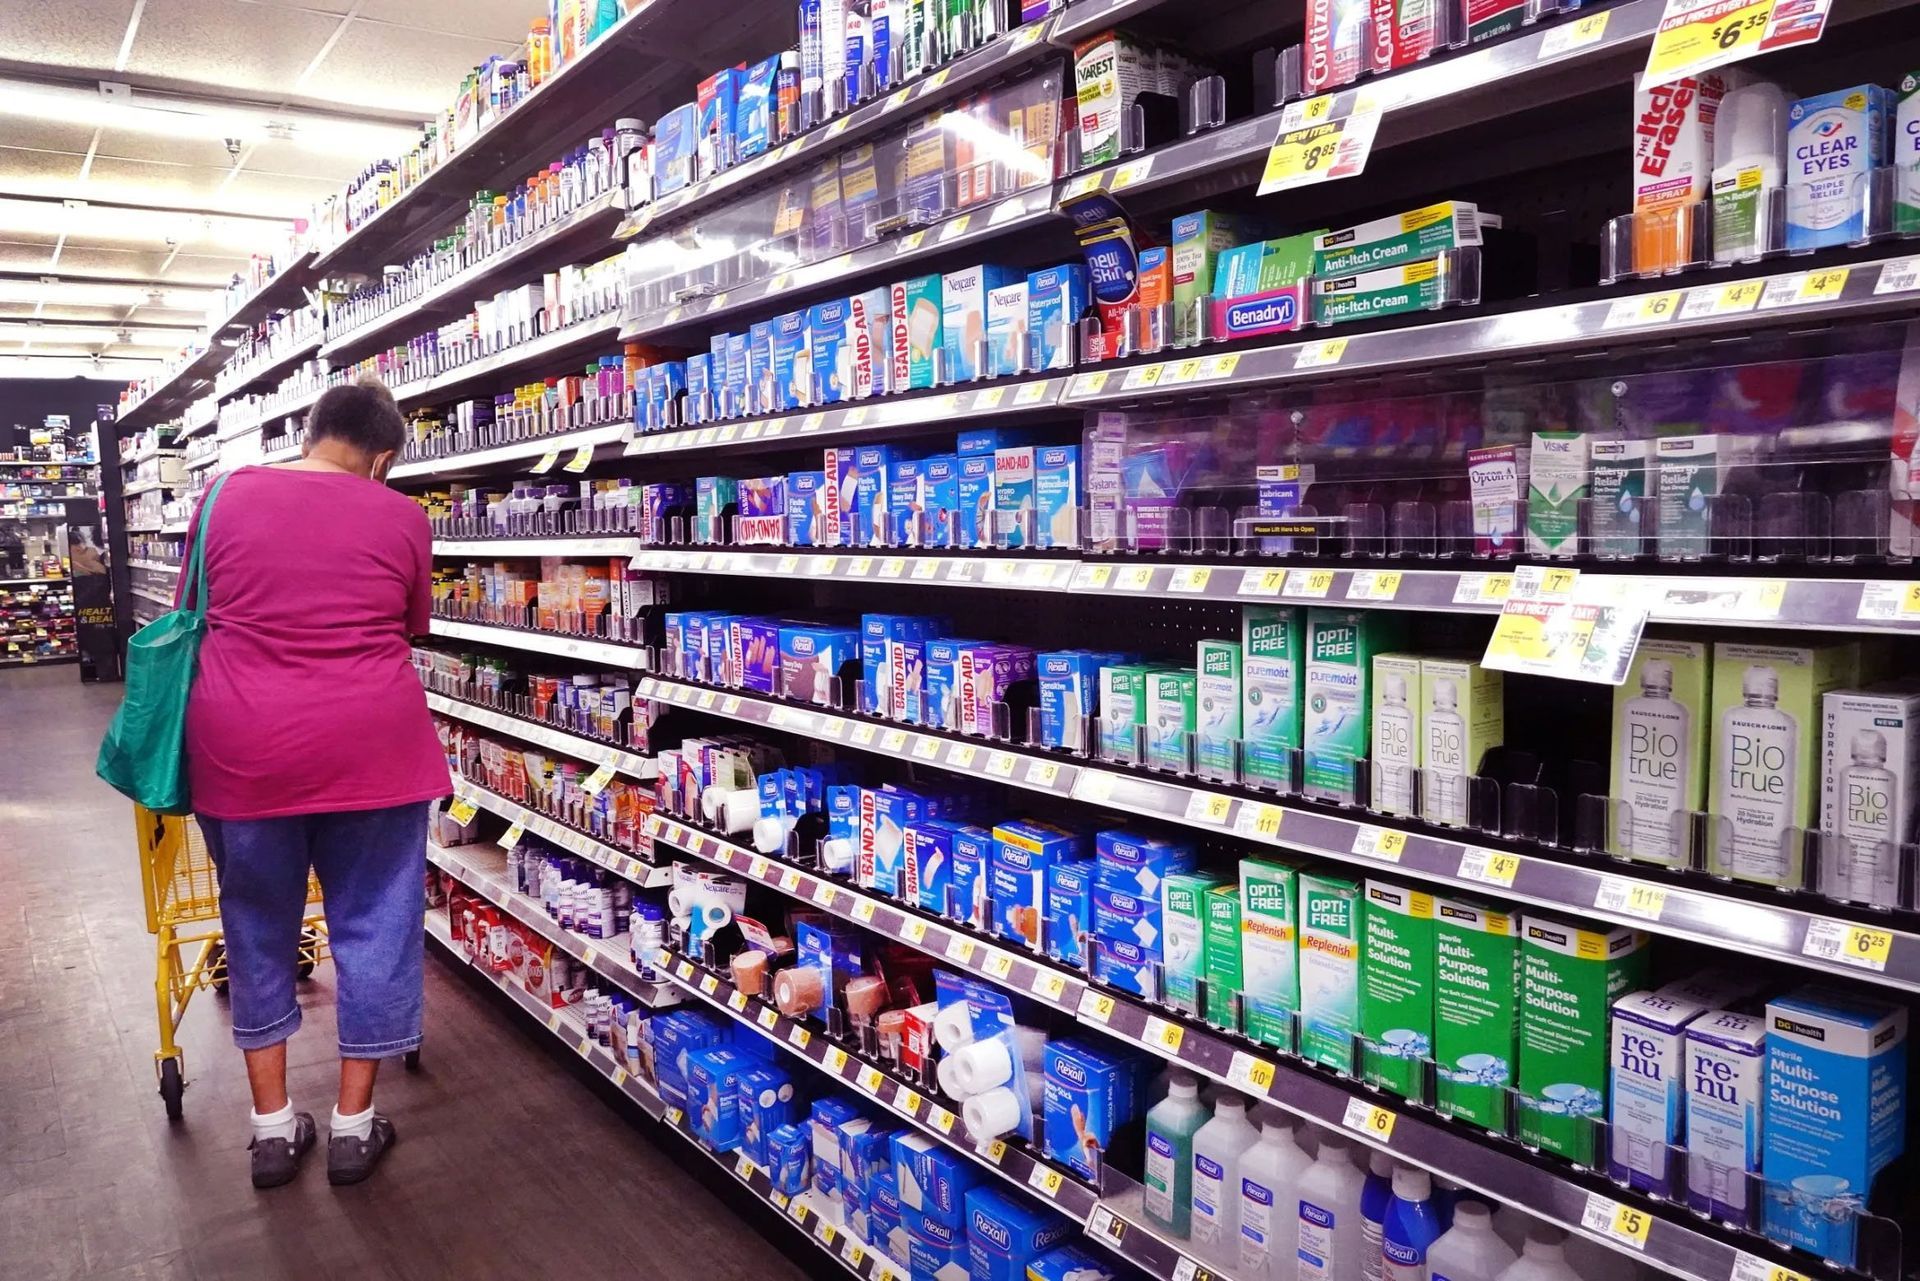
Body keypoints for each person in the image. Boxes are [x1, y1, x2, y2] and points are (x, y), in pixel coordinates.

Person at [179, 381, 447, 1188]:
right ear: (384, 458)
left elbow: (197, 606)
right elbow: (409, 625)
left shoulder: (221, 494)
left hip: (243, 749)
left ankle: (269, 1129)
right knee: (374, 928)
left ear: (309, 433)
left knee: (257, 923)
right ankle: (352, 1128)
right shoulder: (401, 516)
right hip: (375, 751)